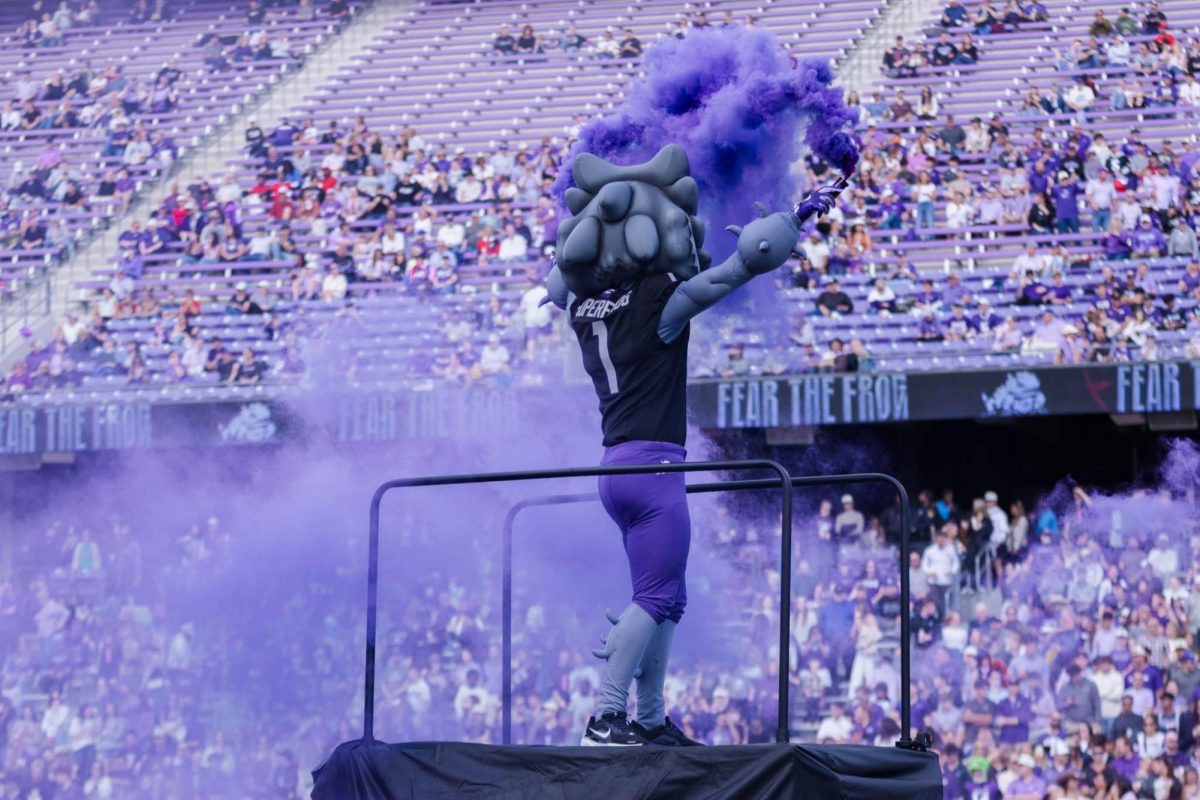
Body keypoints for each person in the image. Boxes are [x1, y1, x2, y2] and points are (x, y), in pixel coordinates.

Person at [542, 144, 841, 747]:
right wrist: (793, 219)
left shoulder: (582, 309)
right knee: (656, 596)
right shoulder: (656, 300)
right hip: (655, 470)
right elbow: (731, 272)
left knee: (667, 599)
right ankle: (607, 716)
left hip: (614, 468)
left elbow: (559, 284)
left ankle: (651, 719)